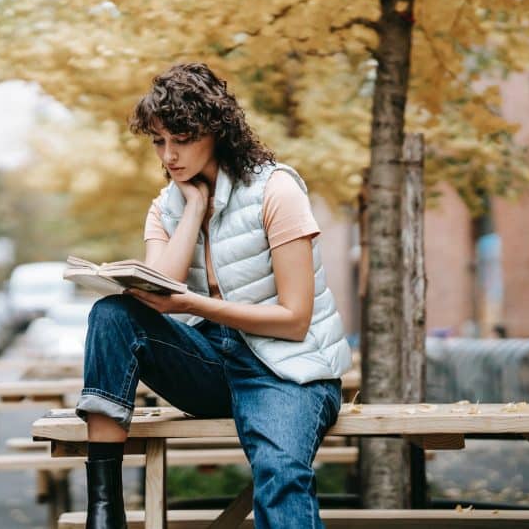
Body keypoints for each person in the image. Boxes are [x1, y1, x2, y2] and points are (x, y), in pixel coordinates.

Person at [77, 62, 351, 529]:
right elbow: (159, 284)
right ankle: (105, 511)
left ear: (217, 132)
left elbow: (295, 318)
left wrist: (190, 305)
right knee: (112, 314)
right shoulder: (166, 206)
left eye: (182, 140)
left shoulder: (275, 190)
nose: (169, 155)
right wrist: (194, 207)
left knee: (281, 472)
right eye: (159, 141)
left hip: (287, 369)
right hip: (213, 365)